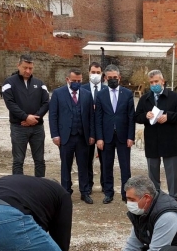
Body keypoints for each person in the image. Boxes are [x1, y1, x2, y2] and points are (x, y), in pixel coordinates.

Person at [134, 70, 177, 201]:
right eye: (151, 82)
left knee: (172, 171)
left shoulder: (173, 96)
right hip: (152, 140)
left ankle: (173, 196)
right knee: (153, 171)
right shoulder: (145, 98)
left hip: (169, 140)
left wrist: (168, 116)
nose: (154, 84)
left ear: (162, 81)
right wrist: (146, 116)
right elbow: (137, 117)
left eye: (156, 81)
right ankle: (155, 197)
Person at [49, 68, 95, 204]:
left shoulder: (87, 94)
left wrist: (92, 134)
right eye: (74, 80)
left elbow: (91, 117)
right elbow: (53, 115)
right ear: (67, 80)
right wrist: (55, 135)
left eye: (79, 81)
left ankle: (85, 192)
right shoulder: (58, 94)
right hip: (65, 137)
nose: (76, 83)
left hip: (82, 136)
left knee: (84, 166)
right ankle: (66, 192)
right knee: (66, 165)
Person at [2, 54, 50, 177]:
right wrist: (25, 117)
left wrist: (35, 118)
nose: (28, 71)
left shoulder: (40, 84)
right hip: (19, 128)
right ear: (18, 65)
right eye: (25, 67)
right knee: (18, 160)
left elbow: (46, 103)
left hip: (37, 128)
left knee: (39, 160)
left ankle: (40, 186)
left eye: (30, 68)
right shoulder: (9, 83)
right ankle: (18, 189)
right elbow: (10, 104)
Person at [95, 64, 135, 204]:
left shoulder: (128, 94)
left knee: (125, 167)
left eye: (115, 77)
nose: (112, 80)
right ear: (105, 78)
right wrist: (99, 137)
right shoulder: (100, 95)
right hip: (106, 137)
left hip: (123, 136)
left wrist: (131, 136)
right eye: (109, 77)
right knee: (107, 165)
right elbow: (98, 118)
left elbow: (131, 117)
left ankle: (126, 193)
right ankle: (108, 192)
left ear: (119, 78)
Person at [81, 62, 106, 191]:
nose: (95, 75)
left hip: (103, 129)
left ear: (102, 74)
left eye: (98, 72)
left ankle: (105, 184)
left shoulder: (106, 89)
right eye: (93, 72)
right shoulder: (82, 89)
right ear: (88, 72)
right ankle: (88, 184)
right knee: (87, 158)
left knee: (105, 159)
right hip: (88, 129)